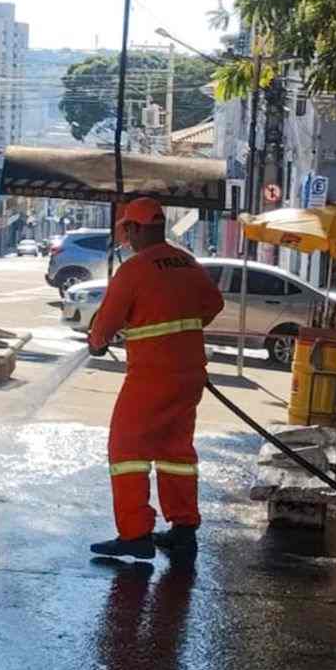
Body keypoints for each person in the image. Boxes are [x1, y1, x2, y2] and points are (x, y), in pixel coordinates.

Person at [87, 197, 225, 560]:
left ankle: (135, 535)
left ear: (133, 229)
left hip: (152, 377)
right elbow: (214, 304)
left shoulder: (134, 270)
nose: (127, 238)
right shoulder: (187, 262)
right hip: (189, 375)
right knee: (175, 450)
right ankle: (183, 530)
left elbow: (105, 324)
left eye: (127, 231)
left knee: (126, 449)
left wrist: (98, 342)